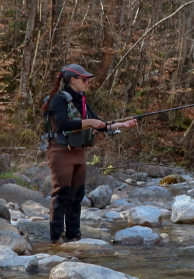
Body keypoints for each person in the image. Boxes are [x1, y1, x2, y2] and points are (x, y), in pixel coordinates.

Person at [41, 64, 137, 243]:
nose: (87, 82)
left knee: (77, 196)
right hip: (60, 152)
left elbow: (100, 124)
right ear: (73, 80)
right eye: (84, 79)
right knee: (61, 195)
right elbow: (63, 124)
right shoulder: (58, 100)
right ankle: (56, 239)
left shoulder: (82, 100)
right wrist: (90, 122)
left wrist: (122, 125)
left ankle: (74, 236)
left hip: (78, 152)